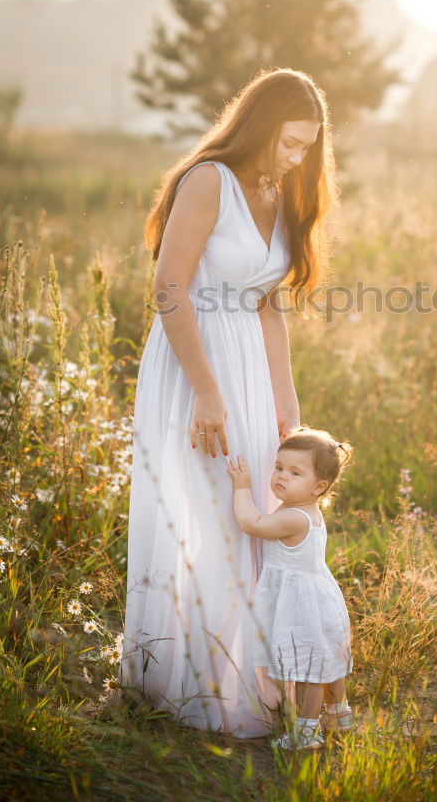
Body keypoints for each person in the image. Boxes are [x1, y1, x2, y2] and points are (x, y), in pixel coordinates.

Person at [119, 68, 337, 738]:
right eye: (289, 143)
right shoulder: (208, 180)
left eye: (307, 148)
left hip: (249, 360)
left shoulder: (280, 190)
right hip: (193, 362)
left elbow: (268, 304)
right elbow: (168, 286)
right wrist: (207, 391)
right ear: (259, 125)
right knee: (207, 505)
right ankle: (195, 680)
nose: (297, 158)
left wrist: (284, 393)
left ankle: (249, 665)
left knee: (251, 507)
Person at [227, 424, 355, 750]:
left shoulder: (294, 518)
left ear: (319, 487)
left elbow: (251, 523)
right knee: (323, 661)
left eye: (295, 472)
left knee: (308, 671)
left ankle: (307, 733)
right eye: (279, 467)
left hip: (302, 605)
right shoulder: (303, 508)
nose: (282, 476)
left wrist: (241, 488)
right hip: (315, 597)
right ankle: (340, 714)